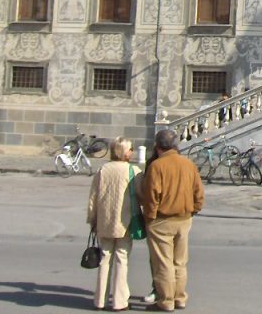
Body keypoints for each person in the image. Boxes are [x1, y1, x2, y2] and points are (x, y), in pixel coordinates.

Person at [141, 128, 205, 311]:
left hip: (161, 219)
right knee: (180, 262)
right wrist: (194, 209)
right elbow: (198, 192)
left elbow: (152, 194)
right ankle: (180, 297)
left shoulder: (157, 166)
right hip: (184, 219)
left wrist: (150, 216)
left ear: (158, 146)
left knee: (163, 263)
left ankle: (166, 300)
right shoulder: (188, 164)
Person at [87, 137, 140, 312]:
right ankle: (119, 301)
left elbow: (93, 197)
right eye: (130, 149)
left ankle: (100, 300)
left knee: (105, 259)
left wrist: (92, 219)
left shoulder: (103, 170)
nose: (132, 152)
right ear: (125, 152)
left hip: (104, 220)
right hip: (125, 221)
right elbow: (141, 195)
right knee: (121, 260)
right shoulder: (133, 171)